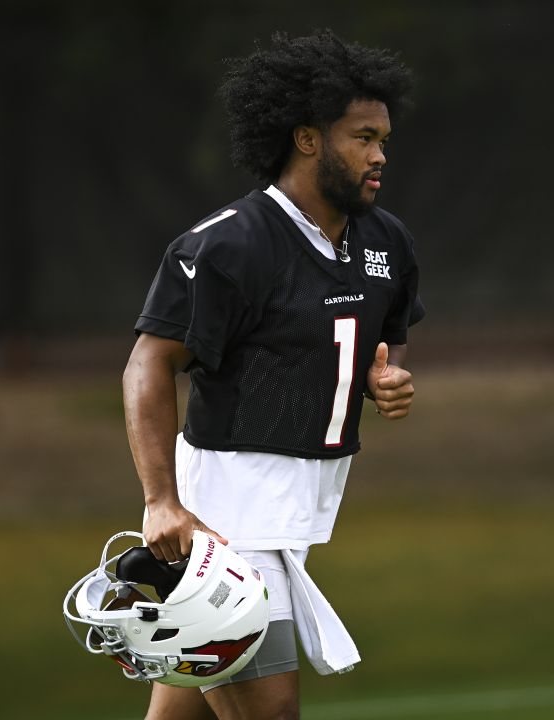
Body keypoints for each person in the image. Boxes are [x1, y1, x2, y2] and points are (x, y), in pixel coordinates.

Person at [120, 29, 422, 720]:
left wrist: (387, 382)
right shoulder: (229, 245)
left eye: (383, 138)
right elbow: (149, 362)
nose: (380, 156)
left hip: (299, 514)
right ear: (308, 138)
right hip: (229, 518)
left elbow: (382, 349)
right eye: (363, 136)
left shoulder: (386, 241)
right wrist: (161, 500)